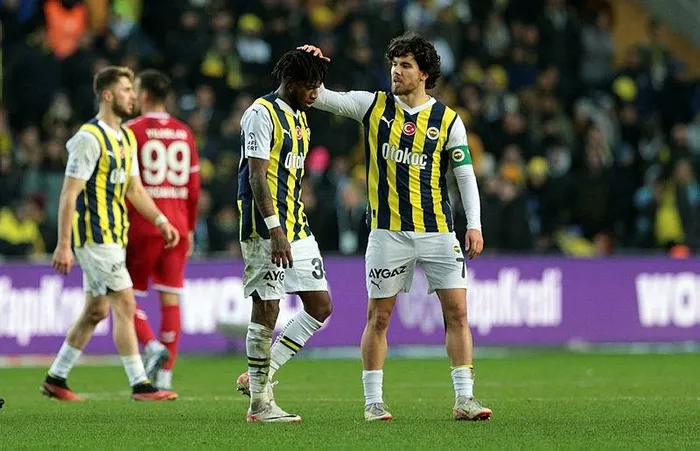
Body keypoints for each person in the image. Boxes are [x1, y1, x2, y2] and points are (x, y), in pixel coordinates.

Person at [300, 34, 493, 421]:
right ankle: (373, 401)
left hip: (438, 232)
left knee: (457, 314)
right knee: (379, 318)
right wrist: (311, 67)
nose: (396, 71)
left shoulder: (448, 121)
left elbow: (465, 177)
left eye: (406, 65)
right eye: (394, 64)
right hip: (388, 233)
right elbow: (319, 97)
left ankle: (465, 399)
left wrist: (473, 224)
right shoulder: (372, 106)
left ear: (424, 74)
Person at [41, 66, 180, 402]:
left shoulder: (126, 137)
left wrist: (161, 220)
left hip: (117, 235)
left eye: (133, 90)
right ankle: (141, 384)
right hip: (95, 236)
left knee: (96, 311)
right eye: (126, 90)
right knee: (125, 303)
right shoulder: (88, 138)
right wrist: (63, 244)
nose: (133, 96)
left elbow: (134, 189)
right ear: (107, 95)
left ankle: (56, 378)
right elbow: (69, 194)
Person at [234, 49, 333, 423]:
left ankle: (260, 374)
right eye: (310, 87)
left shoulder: (301, 116)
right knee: (267, 308)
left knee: (320, 306)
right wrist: (275, 229)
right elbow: (256, 176)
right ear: (290, 84)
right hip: (266, 227)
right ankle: (260, 404)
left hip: (298, 226)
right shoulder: (261, 113)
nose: (315, 94)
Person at [125, 69, 201, 394]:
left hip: (143, 224)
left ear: (143, 95)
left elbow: (126, 184)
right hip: (179, 225)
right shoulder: (185, 132)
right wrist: (191, 228)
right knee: (171, 299)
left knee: (123, 295)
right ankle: (166, 376)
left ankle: (151, 345)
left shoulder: (131, 131)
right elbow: (194, 187)